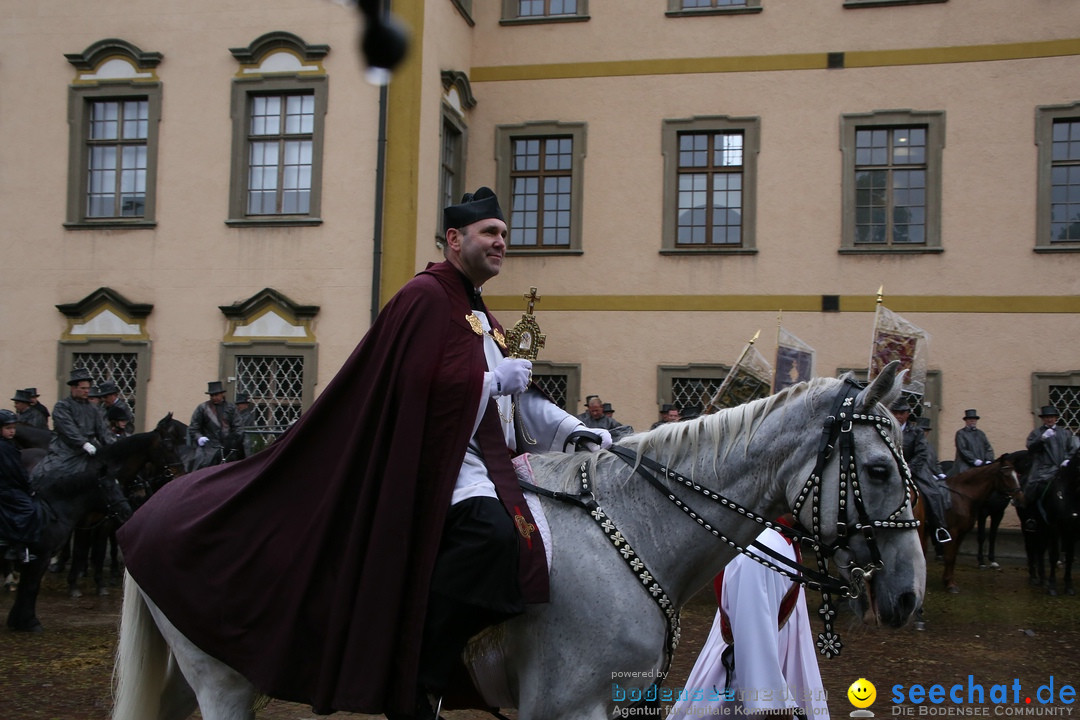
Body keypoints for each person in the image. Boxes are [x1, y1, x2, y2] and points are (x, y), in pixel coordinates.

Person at [117, 187, 611, 719]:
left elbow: (518, 401)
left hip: (481, 464)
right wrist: (489, 379)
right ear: (454, 239)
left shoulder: (476, 309)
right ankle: (416, 671)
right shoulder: (424, 296)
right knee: (491, 540)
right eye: (490, 233)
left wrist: (575, 430)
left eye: (504, 235)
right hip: (434, 469)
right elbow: (413, 385)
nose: (500, 243)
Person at [668, 523, 830, 719]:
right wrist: (773, 701)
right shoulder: (760, 547)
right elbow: (751, 631)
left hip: (779, 667)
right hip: (741, 683)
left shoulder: (782, 540)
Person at [30, 368, 115, 484]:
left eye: (88, 388)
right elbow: (68, 429)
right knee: (53, 471)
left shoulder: (94, 408)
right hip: (66, 448)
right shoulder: (62, 406)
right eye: (83, 388)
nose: (87, 391)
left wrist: (113, 446)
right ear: (73, 388)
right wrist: (84, 444)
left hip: (91, 448)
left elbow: (103, 431)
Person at [891, 400, 951, 544]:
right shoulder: (886, 429)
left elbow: (922, 453)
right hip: (891, 470)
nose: (899, 416)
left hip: (914, 470)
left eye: (902, 413)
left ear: (907, 414)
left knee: (933, 493)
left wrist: (908, 469)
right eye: (896, 413)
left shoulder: (916, 431)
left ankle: (939, 527)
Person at [1024, 405, 1079, 526]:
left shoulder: (1065, 433)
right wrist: (1042, 439)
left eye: (1052, 417)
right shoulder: (1036, 433)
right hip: (1043, 469)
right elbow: (1031, 449)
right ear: (1043, 419)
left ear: (1056, 418)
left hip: (1062, 468)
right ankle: (1031, 518)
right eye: (1047, 417)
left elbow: (1073, 449)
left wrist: (1067, 460)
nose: (1049, 420)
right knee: (1034, 488)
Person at [0, 409, 41, 564]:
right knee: (28, 509)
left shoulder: (9, 445)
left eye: (13, 428)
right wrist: (28, 487)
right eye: (8, 428)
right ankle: (17, 546)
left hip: (6, 486)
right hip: (6, 488)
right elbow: (16, 471)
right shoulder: (4, 448)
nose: (12, 431)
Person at [187, 380, 237, 465]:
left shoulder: (231, 408)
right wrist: (199, 438)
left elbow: (238, 426)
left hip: (229, 448)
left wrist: (233, 441)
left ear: (222, 394)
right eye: (212, 395)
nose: (214, 397)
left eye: (216, 395)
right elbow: (193, 428)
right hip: (208, 448)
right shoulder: (202, 408)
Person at [953, 408, 994, 475]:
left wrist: (988, 459)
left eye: (974, 419)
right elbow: (962, 449)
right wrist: (974, 460)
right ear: (966, 421)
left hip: (981, 465)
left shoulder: (981, 433)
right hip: (965, 466)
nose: (972, 421)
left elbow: (988, 447)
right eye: (970, 419)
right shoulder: (961, 433)